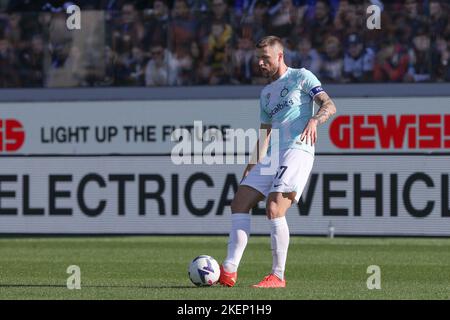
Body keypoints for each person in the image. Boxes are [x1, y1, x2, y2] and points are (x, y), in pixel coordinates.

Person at [219, 35, 336, 288]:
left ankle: (278, 276)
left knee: (274, 207)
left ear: (280, 56)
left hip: (298, 149)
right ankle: (228, 270)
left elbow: (329, 104)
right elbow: (264, 133)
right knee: (239, 201)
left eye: (265, 59)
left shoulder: (301, 76)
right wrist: (250, 166)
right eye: (258, 59)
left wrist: (315, 119)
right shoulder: (265, 93)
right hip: (273, 154)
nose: (260, 63)